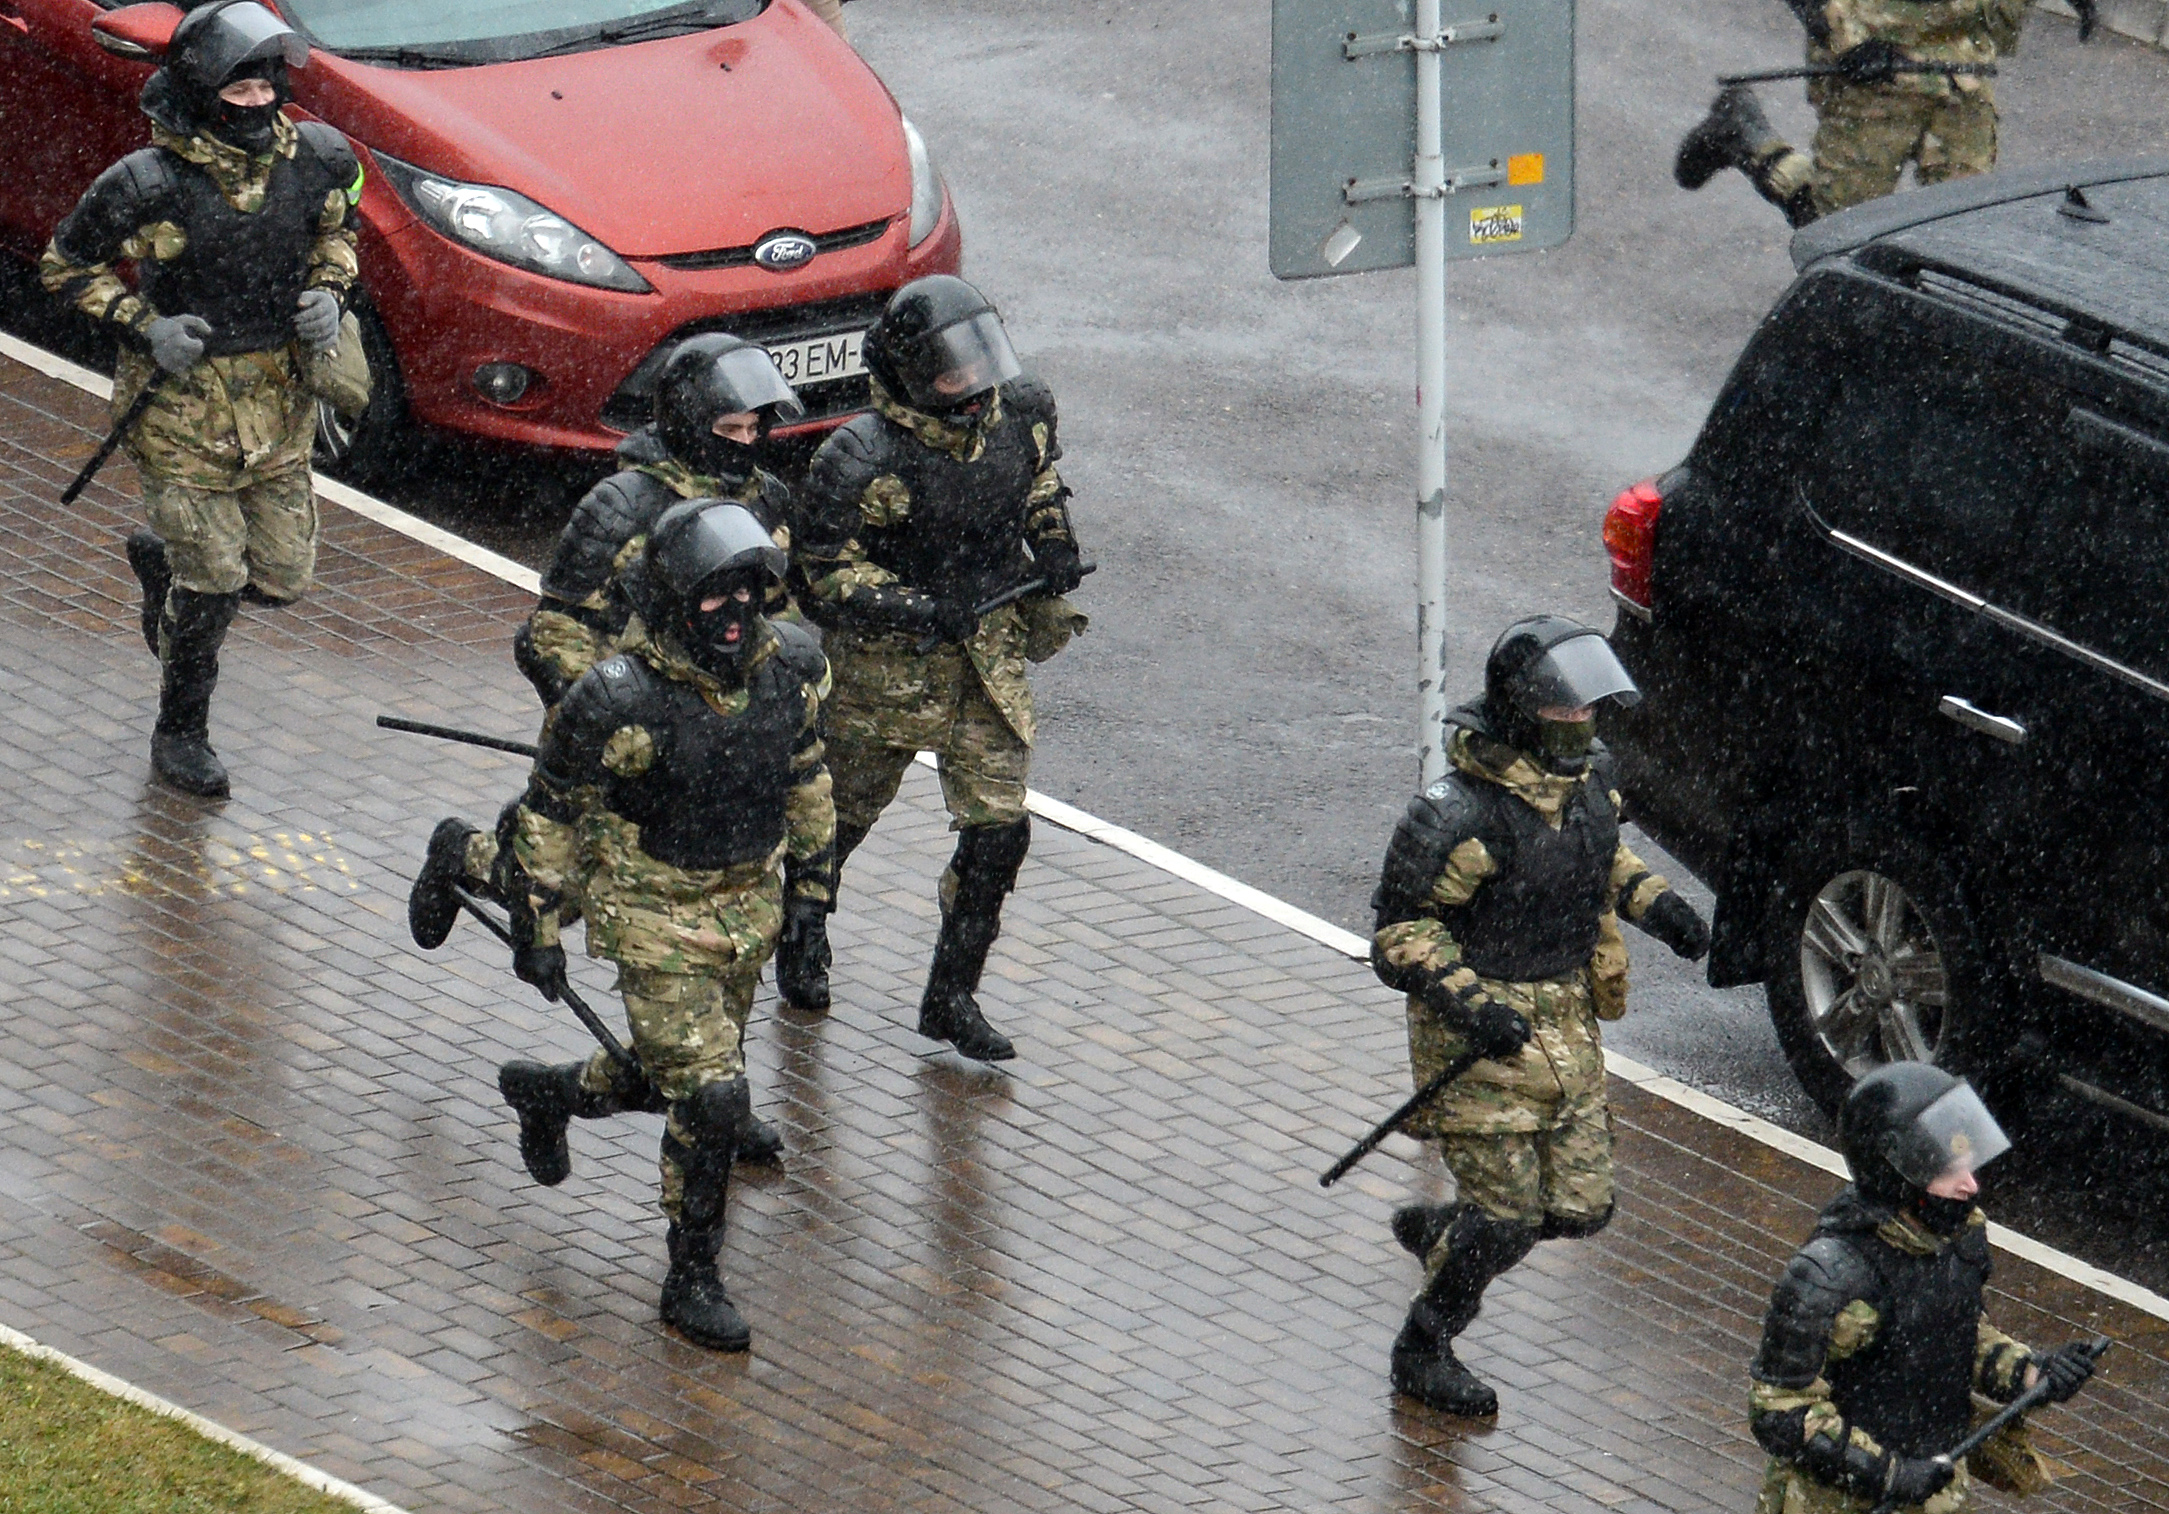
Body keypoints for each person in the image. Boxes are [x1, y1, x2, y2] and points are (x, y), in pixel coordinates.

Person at [473, 500, 834, 1350]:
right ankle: (692, 1275)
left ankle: (551, 1092)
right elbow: (550, 815)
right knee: (713, 1098)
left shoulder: (791, 675)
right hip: (653, 909)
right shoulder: (615, 699)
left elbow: (809, 782)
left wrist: (812, 900)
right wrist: (537, 925)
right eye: (713, 598)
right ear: (673, 605)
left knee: (674, 1079)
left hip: (749, 905)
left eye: (749, 593)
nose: (736, 615)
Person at [414, 336, 823, 1021]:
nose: (746, 443)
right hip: (629, 722)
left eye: (756, 429)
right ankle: (466, 855)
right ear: (690, 423)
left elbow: (780, 612)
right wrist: (612, 711)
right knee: (565, 884)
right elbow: (551, 629)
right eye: (730, 429)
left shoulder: (767, 503)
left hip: (722, 716)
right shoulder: (621, 507)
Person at [1368, 615, 1712, 1417]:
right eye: (1561, 717)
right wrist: (1472, 1004)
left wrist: (1659, 908)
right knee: (1509, 1216)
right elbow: (1399, 932)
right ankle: (1425, 1344)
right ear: (1522, 714)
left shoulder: (1590, 785)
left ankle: (1450, 1233)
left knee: (1580, 1208)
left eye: (1585, 715)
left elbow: (1600, 855)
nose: (1578, 729)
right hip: (1481, 1032)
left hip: (1566, 1017)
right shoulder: (1457, 816)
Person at [40, 0, 362, 798]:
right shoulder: (144, 183)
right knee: (215, 580)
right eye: (236, 89)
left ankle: (164, 570)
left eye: (265, 87)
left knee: (283, 576)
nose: (256, 103)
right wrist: (143, 324)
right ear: (198, 91)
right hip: (180, 409)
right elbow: (63, 267)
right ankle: (181, 729)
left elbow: (338, 233)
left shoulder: (319, 156)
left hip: (279, 406)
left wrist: (329, 291)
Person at [794, 274, 1087, 1062]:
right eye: (949, 375)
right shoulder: (856, 459)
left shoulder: (1020, 412)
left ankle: (951, 994)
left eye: (977, 364)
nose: (971, 387)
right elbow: (821, 575)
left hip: (985, 660)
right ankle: (802, 929)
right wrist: (916, 608)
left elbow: (1038, 482)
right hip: (881, 674)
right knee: (836, 817)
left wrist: (1052, 538)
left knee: (999, 831)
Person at [1749, 1063, 2100, 1514]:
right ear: (1897, 1173)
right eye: (1948, 1171)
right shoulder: (1829, 1275)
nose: (1969, 1185)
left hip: (1938, 1492)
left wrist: (2034, 1374)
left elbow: (1956, 1333)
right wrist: (1888, 1474)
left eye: (1968, 1165)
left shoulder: (1958, 1238)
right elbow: (1778, 1410)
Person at [1672, 0, 2048, 229]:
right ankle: (1746, 139)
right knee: (1836, 227)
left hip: (1959, 67)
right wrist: (1848, 43)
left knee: (1959, 218)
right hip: (1872, 65)